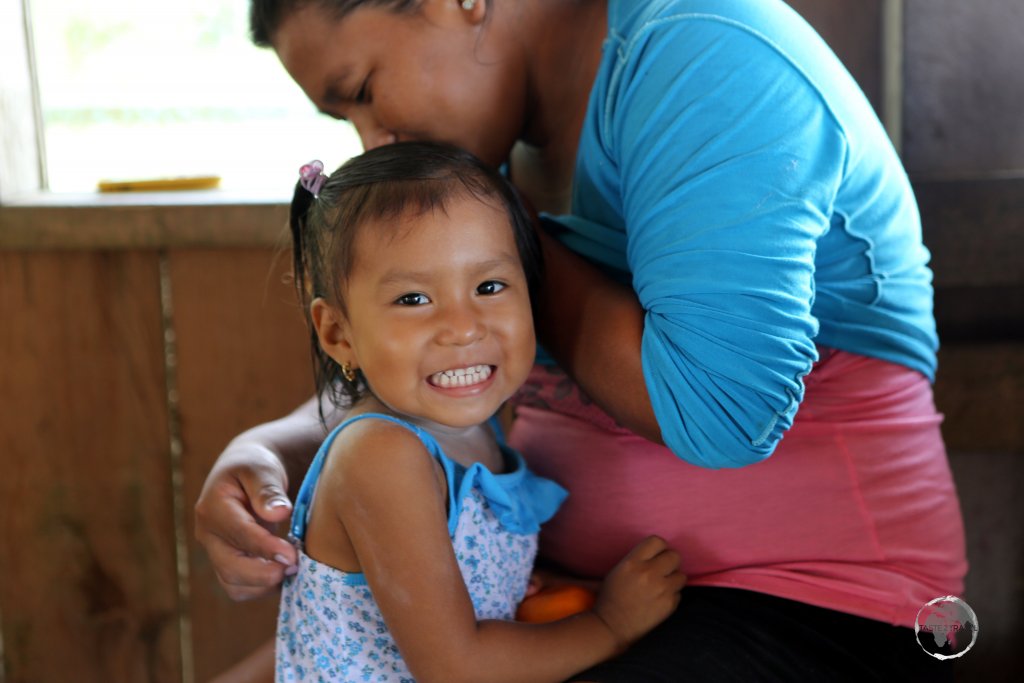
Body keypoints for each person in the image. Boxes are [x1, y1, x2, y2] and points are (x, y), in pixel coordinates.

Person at [196, 0, 968, 679]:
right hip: (555, 599)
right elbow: (445, 366)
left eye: (362, 90)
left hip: (821, 603)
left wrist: (504, 229)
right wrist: (278, 446)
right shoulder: (494, 126)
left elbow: (719, 414)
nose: (372, 139)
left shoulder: (706, 57)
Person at [270, 141, 684, 682]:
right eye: (414, 299)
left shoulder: (471, 426)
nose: (464, 327)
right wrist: (610, 625)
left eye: (489, 286)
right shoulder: (381, 455)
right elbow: (456, 669)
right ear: (338, 333)